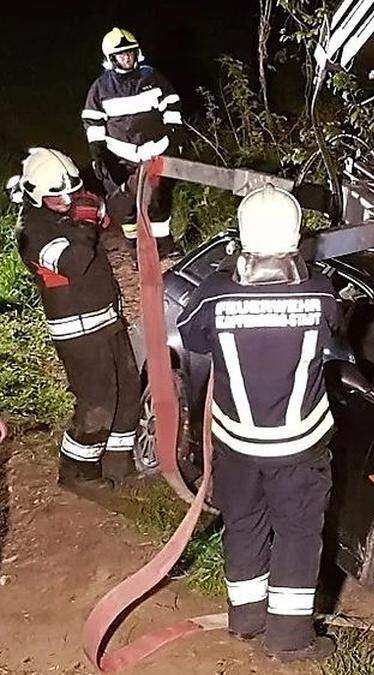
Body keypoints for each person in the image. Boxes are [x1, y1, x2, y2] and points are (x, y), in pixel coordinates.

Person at [176, 185, 339, 661]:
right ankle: (288, 638)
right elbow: (334, 334)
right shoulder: (320, 292)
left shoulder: (215, 294)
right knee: (298, 531)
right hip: (299, 445)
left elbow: (195, 340)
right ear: (294, 237)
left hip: (236, 443)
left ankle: (246, 618)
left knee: (244, 521)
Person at [8, 148, 138, 487]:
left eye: (71, 191)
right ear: (37, 196)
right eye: (57, 196)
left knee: (128, 390)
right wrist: (83, 220)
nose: (66, 199)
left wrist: (131, 189)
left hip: (107, 319)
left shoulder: (72, 204)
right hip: (78, 332)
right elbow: (76, 261)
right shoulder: (31, 232)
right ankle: (76, 471)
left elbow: (109, 214)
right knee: (98, 401)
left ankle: (119, 461)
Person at [81, 27, 183, 259]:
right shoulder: (100, 88)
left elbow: (172, 105)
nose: (127, 58)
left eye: (130, 52)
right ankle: (138, 250)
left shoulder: (153, 77)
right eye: (121, 54)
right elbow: (93, 121)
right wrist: (97, 153)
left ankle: (164, 245)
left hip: (156, 151)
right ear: (110, 58)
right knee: (126, 207)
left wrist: (176, 137)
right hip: (120, 157)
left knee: (159, 200)